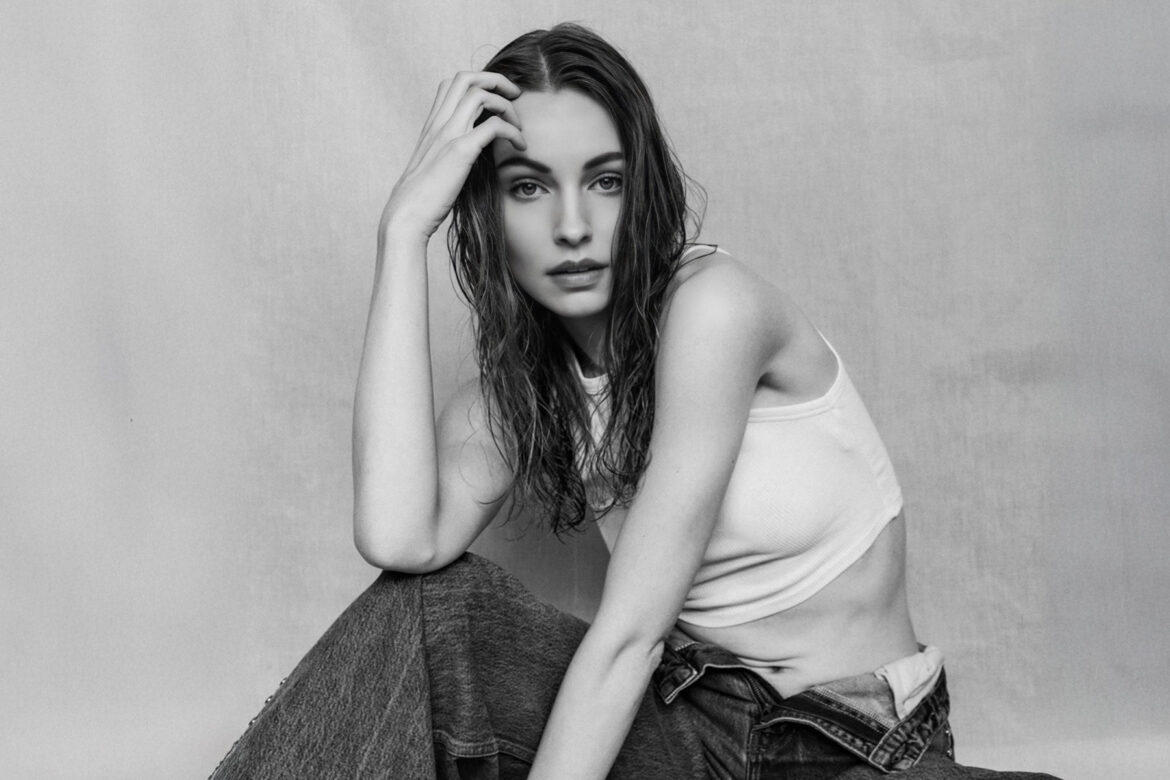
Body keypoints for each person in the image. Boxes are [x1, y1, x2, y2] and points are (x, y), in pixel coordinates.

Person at [210, 23, 1059, 780]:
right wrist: (401, 233)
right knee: (427, 604)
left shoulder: (713, 309)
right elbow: (400, 540)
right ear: (488, 210)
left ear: (642, 189)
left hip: (855, 745)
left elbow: (630, 635)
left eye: (605, 181)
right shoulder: (522, 389)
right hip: (683, 728)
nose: (573, 226)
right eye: (528, 187)